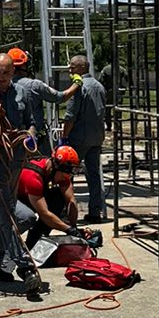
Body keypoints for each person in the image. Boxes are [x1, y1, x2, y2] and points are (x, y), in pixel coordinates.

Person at [0, 52, 43, 295]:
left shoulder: (22, 93)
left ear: (13, 72)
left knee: (18, 216)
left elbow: (31, 122)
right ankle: (25, 268)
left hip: (16, 162)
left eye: (5, 72)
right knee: (5, 214)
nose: (1, 77)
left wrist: (30, 135)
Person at [61, 53, 108, 221]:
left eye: (72, 67)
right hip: (96, 137)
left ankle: (67, 212)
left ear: (82, 67)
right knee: (94, 175)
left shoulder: (78, 87)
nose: (70, 70)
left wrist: (64, 137)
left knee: (65, 174)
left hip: (79, 138)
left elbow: (70, 116)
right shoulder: (99, 86)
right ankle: (95, 211)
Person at [9, 45, 78, 155]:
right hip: (37, 140)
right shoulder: (34, 85)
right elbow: (61, 97)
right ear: (24, 65)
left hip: (12, 141)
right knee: (43, 164)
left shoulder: (3, 87)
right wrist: (76, 84)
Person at [15, 144, 80, 248]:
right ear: (55, 167)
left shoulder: (62, 172)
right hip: (15, 199)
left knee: (58, 198)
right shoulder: (33, 175)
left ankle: (34, 241)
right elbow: (44, 213)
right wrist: (67, 229)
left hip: (33, 196)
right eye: (63, 176)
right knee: (27, 217)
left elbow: (71, 201)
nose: (64, 179)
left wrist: (74, 228)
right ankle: (9, 246)